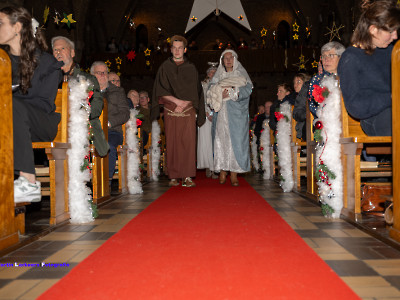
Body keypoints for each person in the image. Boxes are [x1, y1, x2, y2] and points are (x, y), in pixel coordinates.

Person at [0, 6, 63, 202]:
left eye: (0, 23)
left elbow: (44, 104)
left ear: (17, 27)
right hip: (7, 121)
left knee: (12, 105)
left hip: (41, 123)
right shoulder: (2, 61)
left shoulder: (46, 62)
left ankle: (28, 180)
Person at [338, 0, 400, 136]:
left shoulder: (393, 52)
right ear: (373, 30)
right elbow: (355, 106)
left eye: (396, 30)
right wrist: (391, 96)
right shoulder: (351, 57)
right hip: (375, 117)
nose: (395, 36)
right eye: (390, 31)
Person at [151, 35, 205, 187]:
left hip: (188, 109)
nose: (177, 50)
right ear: (170, 49)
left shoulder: (191, 68)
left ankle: (187, 176)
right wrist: (177, 102)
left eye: (180, 47)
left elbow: (196, 91)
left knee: (188, 142)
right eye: (174, 47)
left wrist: (185, 103)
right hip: (170, 108)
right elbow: (160, 90)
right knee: (173, 141)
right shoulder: (164, 67)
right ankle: (173, 175)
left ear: (185, 49)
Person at [52, 36, 109, 157]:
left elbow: (97, 106)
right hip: (55, 128)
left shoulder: (88, 79)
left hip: (83, 127)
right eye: (55, 50)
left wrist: (78, 116)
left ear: (72, 52)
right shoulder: (47, 79)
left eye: (62, 48)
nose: (58, 52)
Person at [208, 50, 253, 186]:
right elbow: (210, 91)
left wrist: (234, 92)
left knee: (236, 142)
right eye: (225, 58)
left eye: (231, 57)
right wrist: (217, 95)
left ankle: (234, 173)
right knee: (221, 141)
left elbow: (248, 90)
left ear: (235, 59)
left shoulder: (240, 74)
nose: (228, 60)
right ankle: (222, 171)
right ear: (222, 60)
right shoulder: (218, 75)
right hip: (221, 113)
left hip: (236, 114)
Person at [91, 61, 130, 188]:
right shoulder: (86, 91)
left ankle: (105, 182)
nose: (103, 75)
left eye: (105, 72)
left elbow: (125, 113)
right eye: (99, 73)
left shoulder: (118, 91)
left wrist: (109, 123)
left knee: (109, 146)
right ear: (92, 75)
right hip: (90, 130)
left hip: (112, 130)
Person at [308, 41, 345, 117]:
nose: (326, 59)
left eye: (331, 55)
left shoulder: (349, 77)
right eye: (324, 56)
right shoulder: (317, 80)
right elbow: (314, 107)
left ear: (341, 58)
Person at [197, 64, 218, 178]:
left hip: (217, 115)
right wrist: (206, 113)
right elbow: (200, 100)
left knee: (215, 142)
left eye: (215, 72)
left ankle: (215, 167)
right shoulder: (202, 85)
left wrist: (214, 113)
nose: (213, 74)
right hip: (204, 116)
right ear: (207, 73)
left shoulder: (219, 84)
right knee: (206, 141)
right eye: (211, 72)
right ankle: (208, 166)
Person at [292, 73, 311, 140]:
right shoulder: (294, 97)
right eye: (294, 82)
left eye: (298, 82)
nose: (295, 85)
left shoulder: (307, 95)